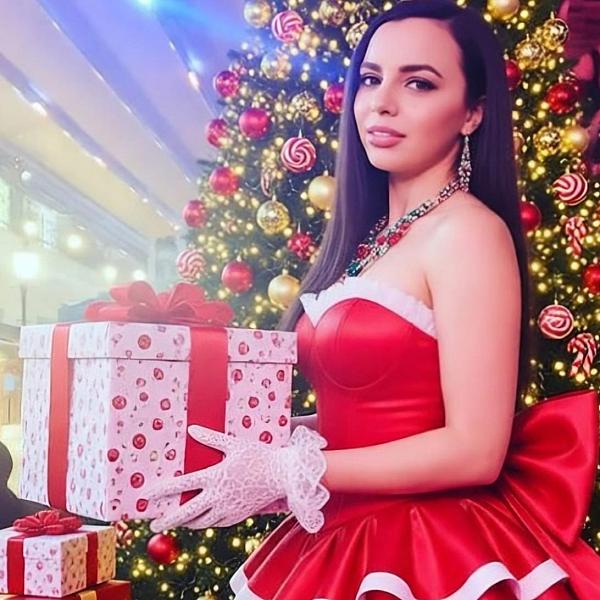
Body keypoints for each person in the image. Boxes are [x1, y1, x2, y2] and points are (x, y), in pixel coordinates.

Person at [146, 1, 600, 598]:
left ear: (472, 113)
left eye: (418, 83)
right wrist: (259, 449)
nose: (382, 102)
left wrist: (289, 468)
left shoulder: (467, 233)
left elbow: (475, 450)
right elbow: (364, 417)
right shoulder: (370, 241)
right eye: (370, 78)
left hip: (430, 545)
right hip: (341, 532)